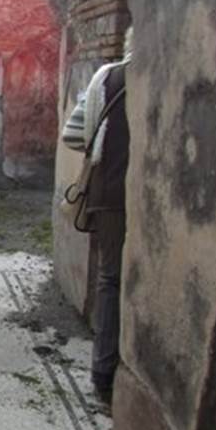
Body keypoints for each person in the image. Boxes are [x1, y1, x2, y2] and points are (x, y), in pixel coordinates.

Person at [61, 29, 131, 406]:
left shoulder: (108, 76)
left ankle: (104, 374)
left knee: (111, 280)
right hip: (148, 195)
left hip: (110, 193)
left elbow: (73, 136)